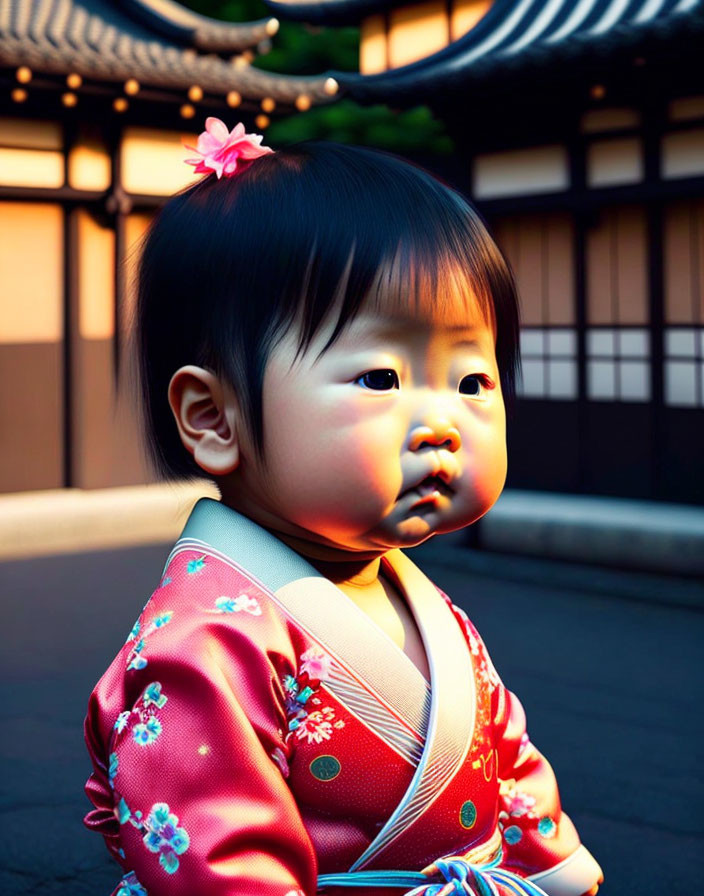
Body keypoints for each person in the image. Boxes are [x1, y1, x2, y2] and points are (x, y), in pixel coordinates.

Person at [83, 119, 603, 896]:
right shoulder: (208, 639)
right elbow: (217, 852)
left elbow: (503, 754)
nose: (442, 425)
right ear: (213, 417)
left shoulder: (424, 604)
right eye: (381, 379)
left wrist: (553, 867)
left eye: (472, 382)